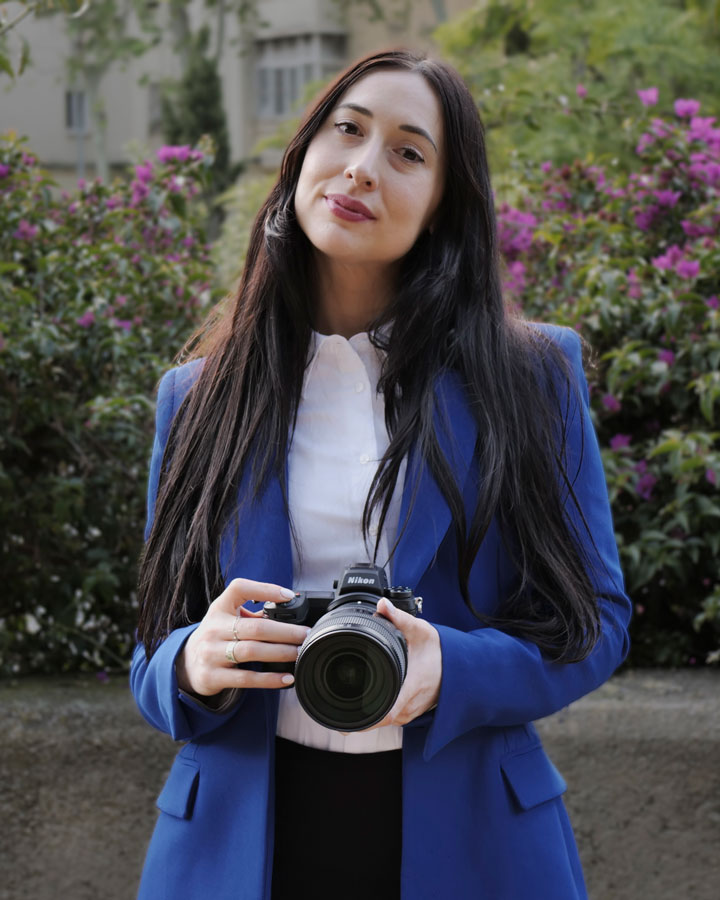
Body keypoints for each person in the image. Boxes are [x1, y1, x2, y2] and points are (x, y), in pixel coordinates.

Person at [130, 48, 631, 900]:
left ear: (443, 205)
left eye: (407, 152)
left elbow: (596, 622)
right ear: (302, 156)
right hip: (240, 842)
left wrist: (452, 668)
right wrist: (191, 662)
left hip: (471, 836)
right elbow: (153, 649)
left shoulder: (531, 376)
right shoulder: (197, 396)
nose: (363, 167)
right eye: (347, 129)